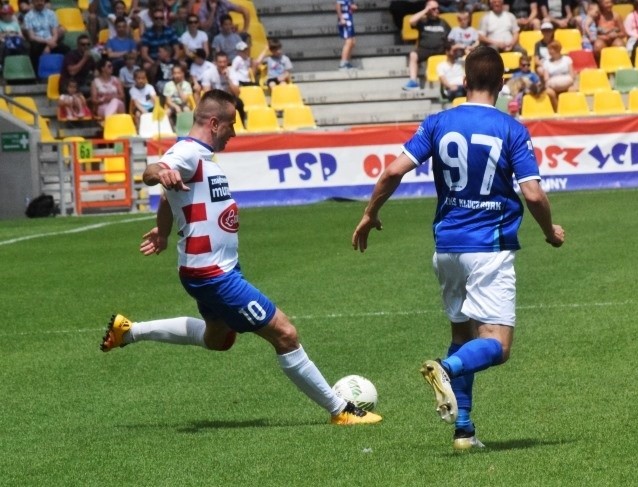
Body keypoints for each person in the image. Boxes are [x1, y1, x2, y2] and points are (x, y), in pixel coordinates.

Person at [100, 89, 382, 427]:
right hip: (213, 274)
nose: (234, 132)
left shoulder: (202, 158)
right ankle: (341, 410)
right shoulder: (187, 152)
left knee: (217, 339)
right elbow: (155, 171)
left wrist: (162, 231)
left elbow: (167, 198)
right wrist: (159, 171)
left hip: (212, 270)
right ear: (215, 123)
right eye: (231, 125)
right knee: (286, 334)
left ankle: (128, 331)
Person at [352, 45, 563, 450]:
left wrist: (369, 213)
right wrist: (549, 230)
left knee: (464, 337)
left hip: (447, 247)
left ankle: (464, 430)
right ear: (503, 83)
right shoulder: (511, 129)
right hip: (489, 247)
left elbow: (394, 170)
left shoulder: (437, 123)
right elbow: (533, 195)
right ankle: (445, 369)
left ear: (464, 82)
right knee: (496, 347)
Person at [402, 0, 451, 90]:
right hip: (424, 49)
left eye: (437, 8)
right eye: (433, 9)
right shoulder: (423, 21)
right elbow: (411, 20)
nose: (437, 10)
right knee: (413, 55)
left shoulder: (443, 22)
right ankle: (413, 82)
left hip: (440, 50)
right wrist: (426, 10)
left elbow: (450, 37)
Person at [21, 0, 69, 72]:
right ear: (33, 3)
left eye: (42, 1)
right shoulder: (28, 16)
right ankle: (37, 75)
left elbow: (55, 33)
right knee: (34, 49)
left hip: (51, 40)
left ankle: (65, 74)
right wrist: (47, 42)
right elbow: (31, 36)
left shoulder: (51, 14)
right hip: (37, 41)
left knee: (66, 49)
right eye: (37, 1)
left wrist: (48, 46)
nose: (40, 3)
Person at [202, 51, 245, 122]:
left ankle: (243, 124)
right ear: (215, 62)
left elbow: (237, 93)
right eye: (220, 62)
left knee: (239, 103)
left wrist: (228, 79)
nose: (222, 64)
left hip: (229, 98)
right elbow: (207, 92)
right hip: (215, 99)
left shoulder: (232, 72)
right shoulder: (208, 73)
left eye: (224, 62)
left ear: (227, 62)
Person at [540, 39, 575, 109]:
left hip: (566, 84)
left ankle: (569, 109)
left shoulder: (567, 59)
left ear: (558, 49)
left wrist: (566, 83)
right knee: (550, 92)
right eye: (549, 49)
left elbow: (572, 75)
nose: (550, 52)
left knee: (572, 90)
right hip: (553, 86)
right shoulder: (546, 62)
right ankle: (558, 110)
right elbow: (546, 78)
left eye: (552, 49)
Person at [336, 0, 357, 69]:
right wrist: (341, 18)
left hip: (349, 20)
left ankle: (347, 62)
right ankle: (343, 63)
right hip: (345, 20)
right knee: (349, 41)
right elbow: (337, 5)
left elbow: (350, 7)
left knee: (353, 42)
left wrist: (353, 8)